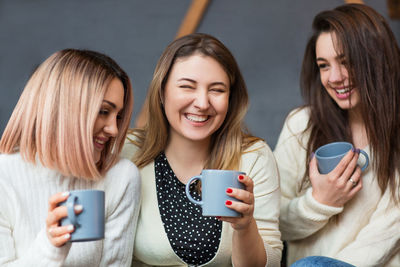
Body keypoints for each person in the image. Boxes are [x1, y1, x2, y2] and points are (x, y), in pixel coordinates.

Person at [121, 33, 282, 266]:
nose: (202, 103)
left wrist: (244, 227)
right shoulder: (128, 151)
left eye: (217, 90)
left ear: (231, 98)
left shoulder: (253, 156)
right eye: (187, 87)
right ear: (162, 92)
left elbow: (271, 262)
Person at [273, 4, 400, 267]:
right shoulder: (301, 125)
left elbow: (387, 233)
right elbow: (274, 223)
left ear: (377, 58)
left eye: (346, 62)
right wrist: (319, 202)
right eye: (324, 65)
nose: (335, 77)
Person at [0, 49, 141, 266]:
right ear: (64, 109)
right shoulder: (5, 175)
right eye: (104, 111)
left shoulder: (120, 176)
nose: (114, 129)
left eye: (119, 116)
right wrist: (50, 247)